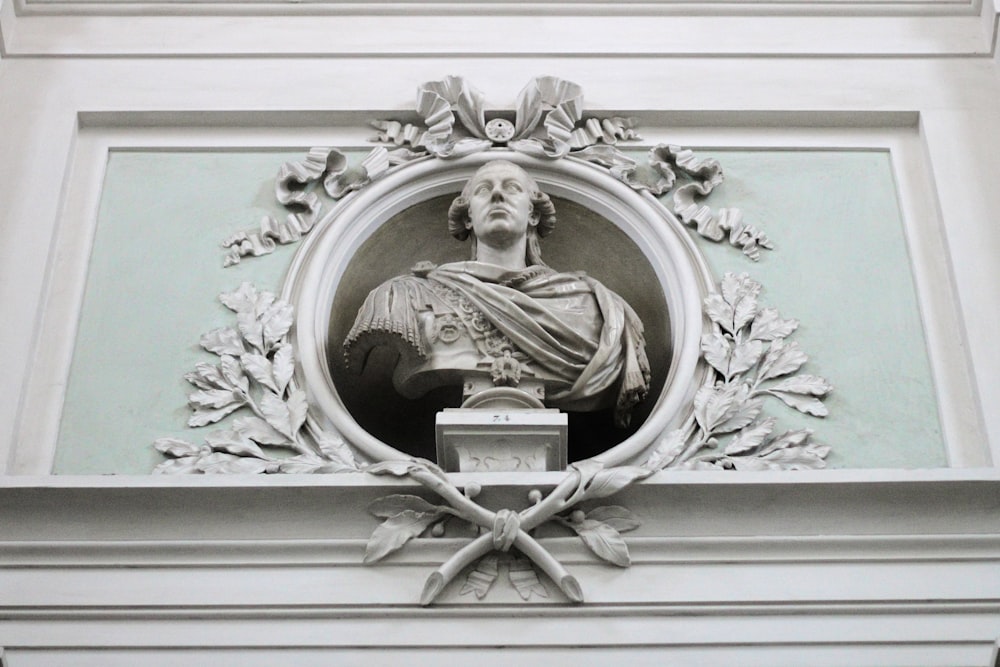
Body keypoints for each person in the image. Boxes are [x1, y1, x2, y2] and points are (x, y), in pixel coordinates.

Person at [344, 160, 650, 427]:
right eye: (483, 190)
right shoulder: (405, 296)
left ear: (533, 214)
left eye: (512, 187)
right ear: (467, 217)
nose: (498, 194)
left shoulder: (594, 306)